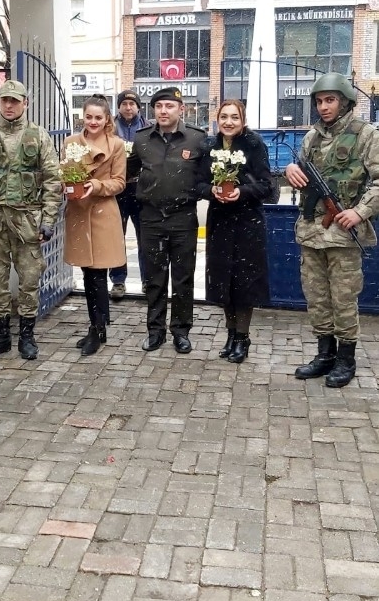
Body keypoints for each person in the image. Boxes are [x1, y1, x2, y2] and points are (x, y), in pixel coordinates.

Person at [285, 73, 379, 388]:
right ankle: (324, 355)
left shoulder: (366, 135)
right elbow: (300, 172)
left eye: (330, 100)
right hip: (311, 233)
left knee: (343, 298)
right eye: (319, 101)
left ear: (345, 101)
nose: (323, 107)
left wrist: (360, 211)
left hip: (342, 235)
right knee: (317, 297)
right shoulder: (312, 137)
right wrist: (291, 170)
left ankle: (346, 359)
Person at [0, 79, 62, 361]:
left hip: (28, 221)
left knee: (29, 279)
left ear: (24, 103)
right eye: (5, 100)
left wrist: (48, 220)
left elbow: (52, 180)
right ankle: (1, 336)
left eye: (15, 101)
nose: (9, 105)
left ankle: (27, 336)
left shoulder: (38, 136)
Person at [128, 86, 206, 353]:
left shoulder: (196, 139)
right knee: (154, 278)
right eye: (159, 106)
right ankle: (155, 330)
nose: (163, 111)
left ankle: (181, 332)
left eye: (169, 106)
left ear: (181, 109)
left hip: (183, 217)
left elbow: (208, 175)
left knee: (183, 278)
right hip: (151, 217)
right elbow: (127, 171)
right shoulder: (142, 139)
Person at [198, 99, 272, 363]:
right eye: (224, 117)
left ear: (243, 121)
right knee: (223, 280)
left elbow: (266, 185)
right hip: (220, 221)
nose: (228, 122)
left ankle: (242, 337)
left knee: (244, 282)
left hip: (247, 222)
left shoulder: (253, 144)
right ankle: (230, 334)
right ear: (217, 119)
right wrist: (211, 190)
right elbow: (198, 183)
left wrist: (242, 191)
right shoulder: (210, 146)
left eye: (234, 117)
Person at [63, 94, 126, 356]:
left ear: (107, 118)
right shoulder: (70, 143)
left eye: (98, 117)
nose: (93, 121)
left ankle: (98, 328)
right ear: (83, 117)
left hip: (103, 213)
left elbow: (120, 182)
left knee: (98, 275)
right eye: (89, 116)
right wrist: (65, 184)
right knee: (88, 274)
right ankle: (97, 326)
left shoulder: (116, 145)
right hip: (79, 211)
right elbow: (65, 174)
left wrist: (96, 185)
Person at [109, 90, 149, 299]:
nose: (128, 107)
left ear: (138, 107)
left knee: (146, 237)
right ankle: (118, 280)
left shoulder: (148, 127)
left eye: (132, 104)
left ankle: (147, 281)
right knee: (117, 237)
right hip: (118, 189)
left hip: (141, 188)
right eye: (124, 104)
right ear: (119, 106)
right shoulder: (110, 127)